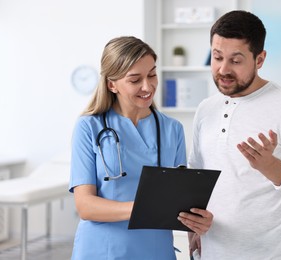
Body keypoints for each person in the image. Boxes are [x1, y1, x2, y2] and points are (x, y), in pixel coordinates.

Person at [187, 10, 281, 259]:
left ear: (260, 59)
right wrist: (193, 228)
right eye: (217, 57)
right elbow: (196, 176)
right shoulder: (205, 109)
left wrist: (272, 168)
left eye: (235, 60)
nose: (223, 69)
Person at [68, 36, 213, 259]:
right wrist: (146, 207)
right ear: (111, 84)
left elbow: (181, 201)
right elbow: (86, 206)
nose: (148, 86)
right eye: (135, 80)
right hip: (102, 250)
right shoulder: (89, 127)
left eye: (152, 75)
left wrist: (196, 224)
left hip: (155, 250)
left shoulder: (172, 129)